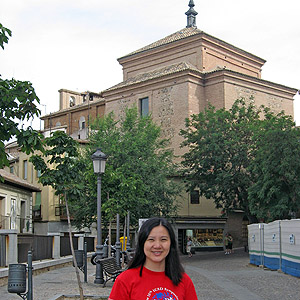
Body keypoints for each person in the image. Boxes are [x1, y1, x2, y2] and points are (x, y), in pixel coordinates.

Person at [108, 217, 198, 300]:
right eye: (151, 239)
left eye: (163, 240)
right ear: (142, 243)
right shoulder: (125, 280)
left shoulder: (184, 280)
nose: (157, 245)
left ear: (171, 244)